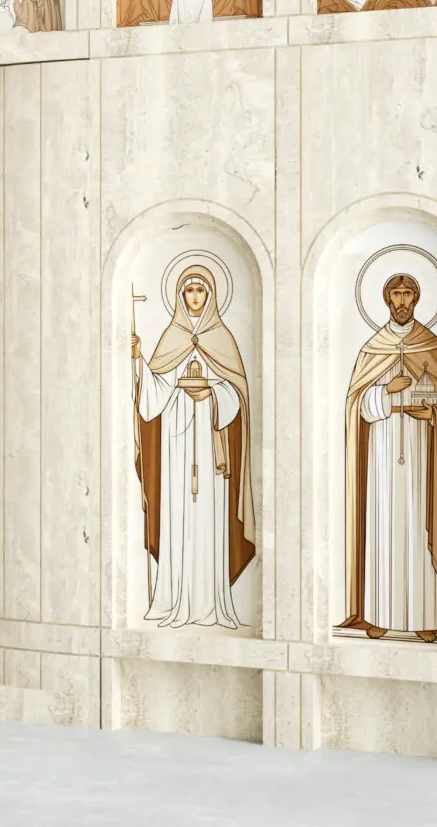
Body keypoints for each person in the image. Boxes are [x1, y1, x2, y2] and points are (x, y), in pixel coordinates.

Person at [340, 273, 437, 643]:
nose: (401, 301)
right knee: (383, 527)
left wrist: (435, 414)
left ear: (416, 299)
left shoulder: (433, 346)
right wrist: (385, 392)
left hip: (421, 451)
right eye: (395, 294)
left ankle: (425, 617)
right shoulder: (372, 349)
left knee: (417, 525)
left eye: (407, 294)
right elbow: (356, 405)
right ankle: (379, 613)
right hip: (381, 455)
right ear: (386, 299)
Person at [133, 265, 254, 629]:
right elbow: (153, 395)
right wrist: (138, 360)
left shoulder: (223, 339)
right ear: (179, 296)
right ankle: (173, 598)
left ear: (211, 295)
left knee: (209, 519)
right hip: (177, 441)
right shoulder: (172, 338)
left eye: (201, 290)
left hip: (211, 445)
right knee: (176, 514)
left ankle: (210, 602)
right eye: (189, 291)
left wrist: (212, 394)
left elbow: (239, 394)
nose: (195, 297)